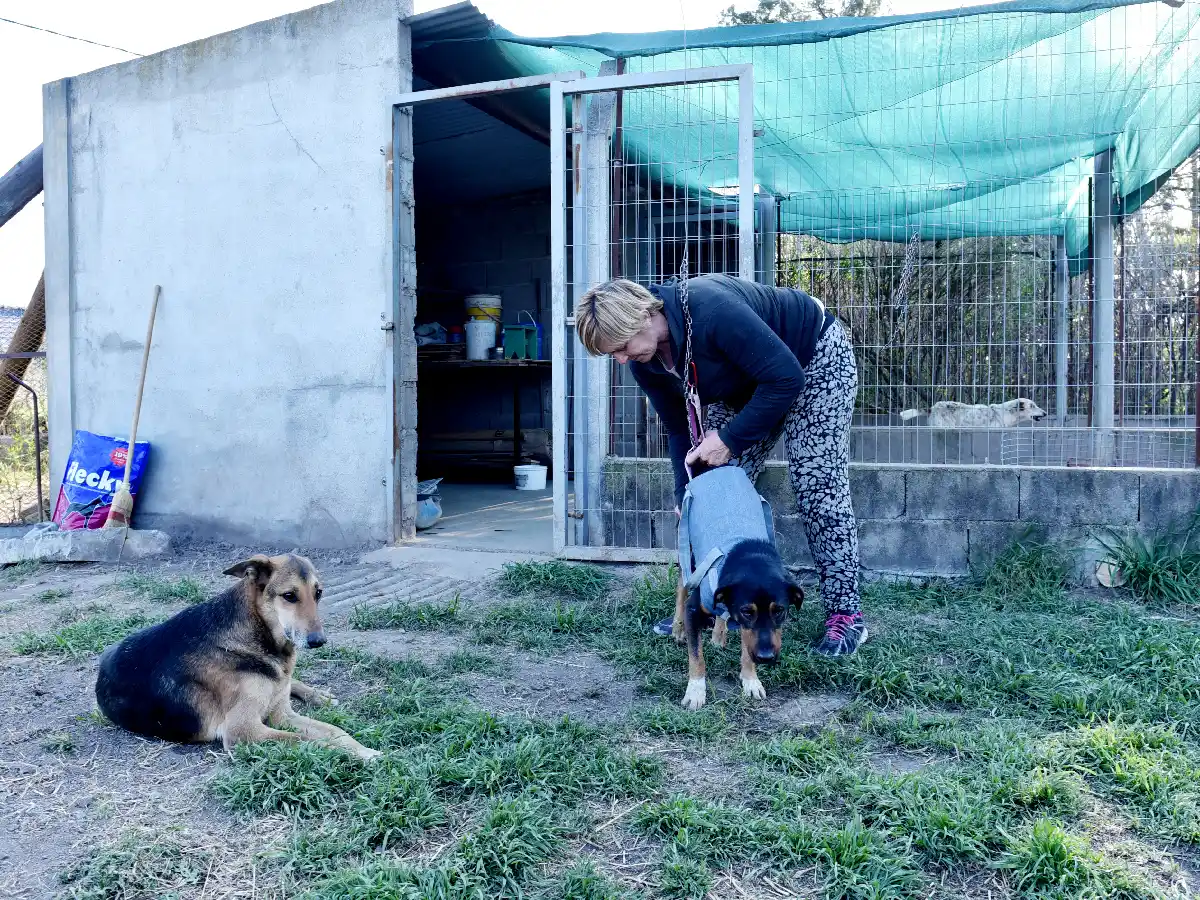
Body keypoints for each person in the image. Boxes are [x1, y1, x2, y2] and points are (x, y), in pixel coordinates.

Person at [574, 274, 867, 657]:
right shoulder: (645, 363)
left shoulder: (711, 310)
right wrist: (687, 493)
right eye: (613, 354)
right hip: (748, 384)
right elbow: (679, 428)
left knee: (817, 485)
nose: (622, 359)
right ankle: (709, 606)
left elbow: (785, 378)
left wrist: (729, 440)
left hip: (812, 360)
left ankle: (846, 617)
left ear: (644, 315)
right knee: (711, 487)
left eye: (623, 346)